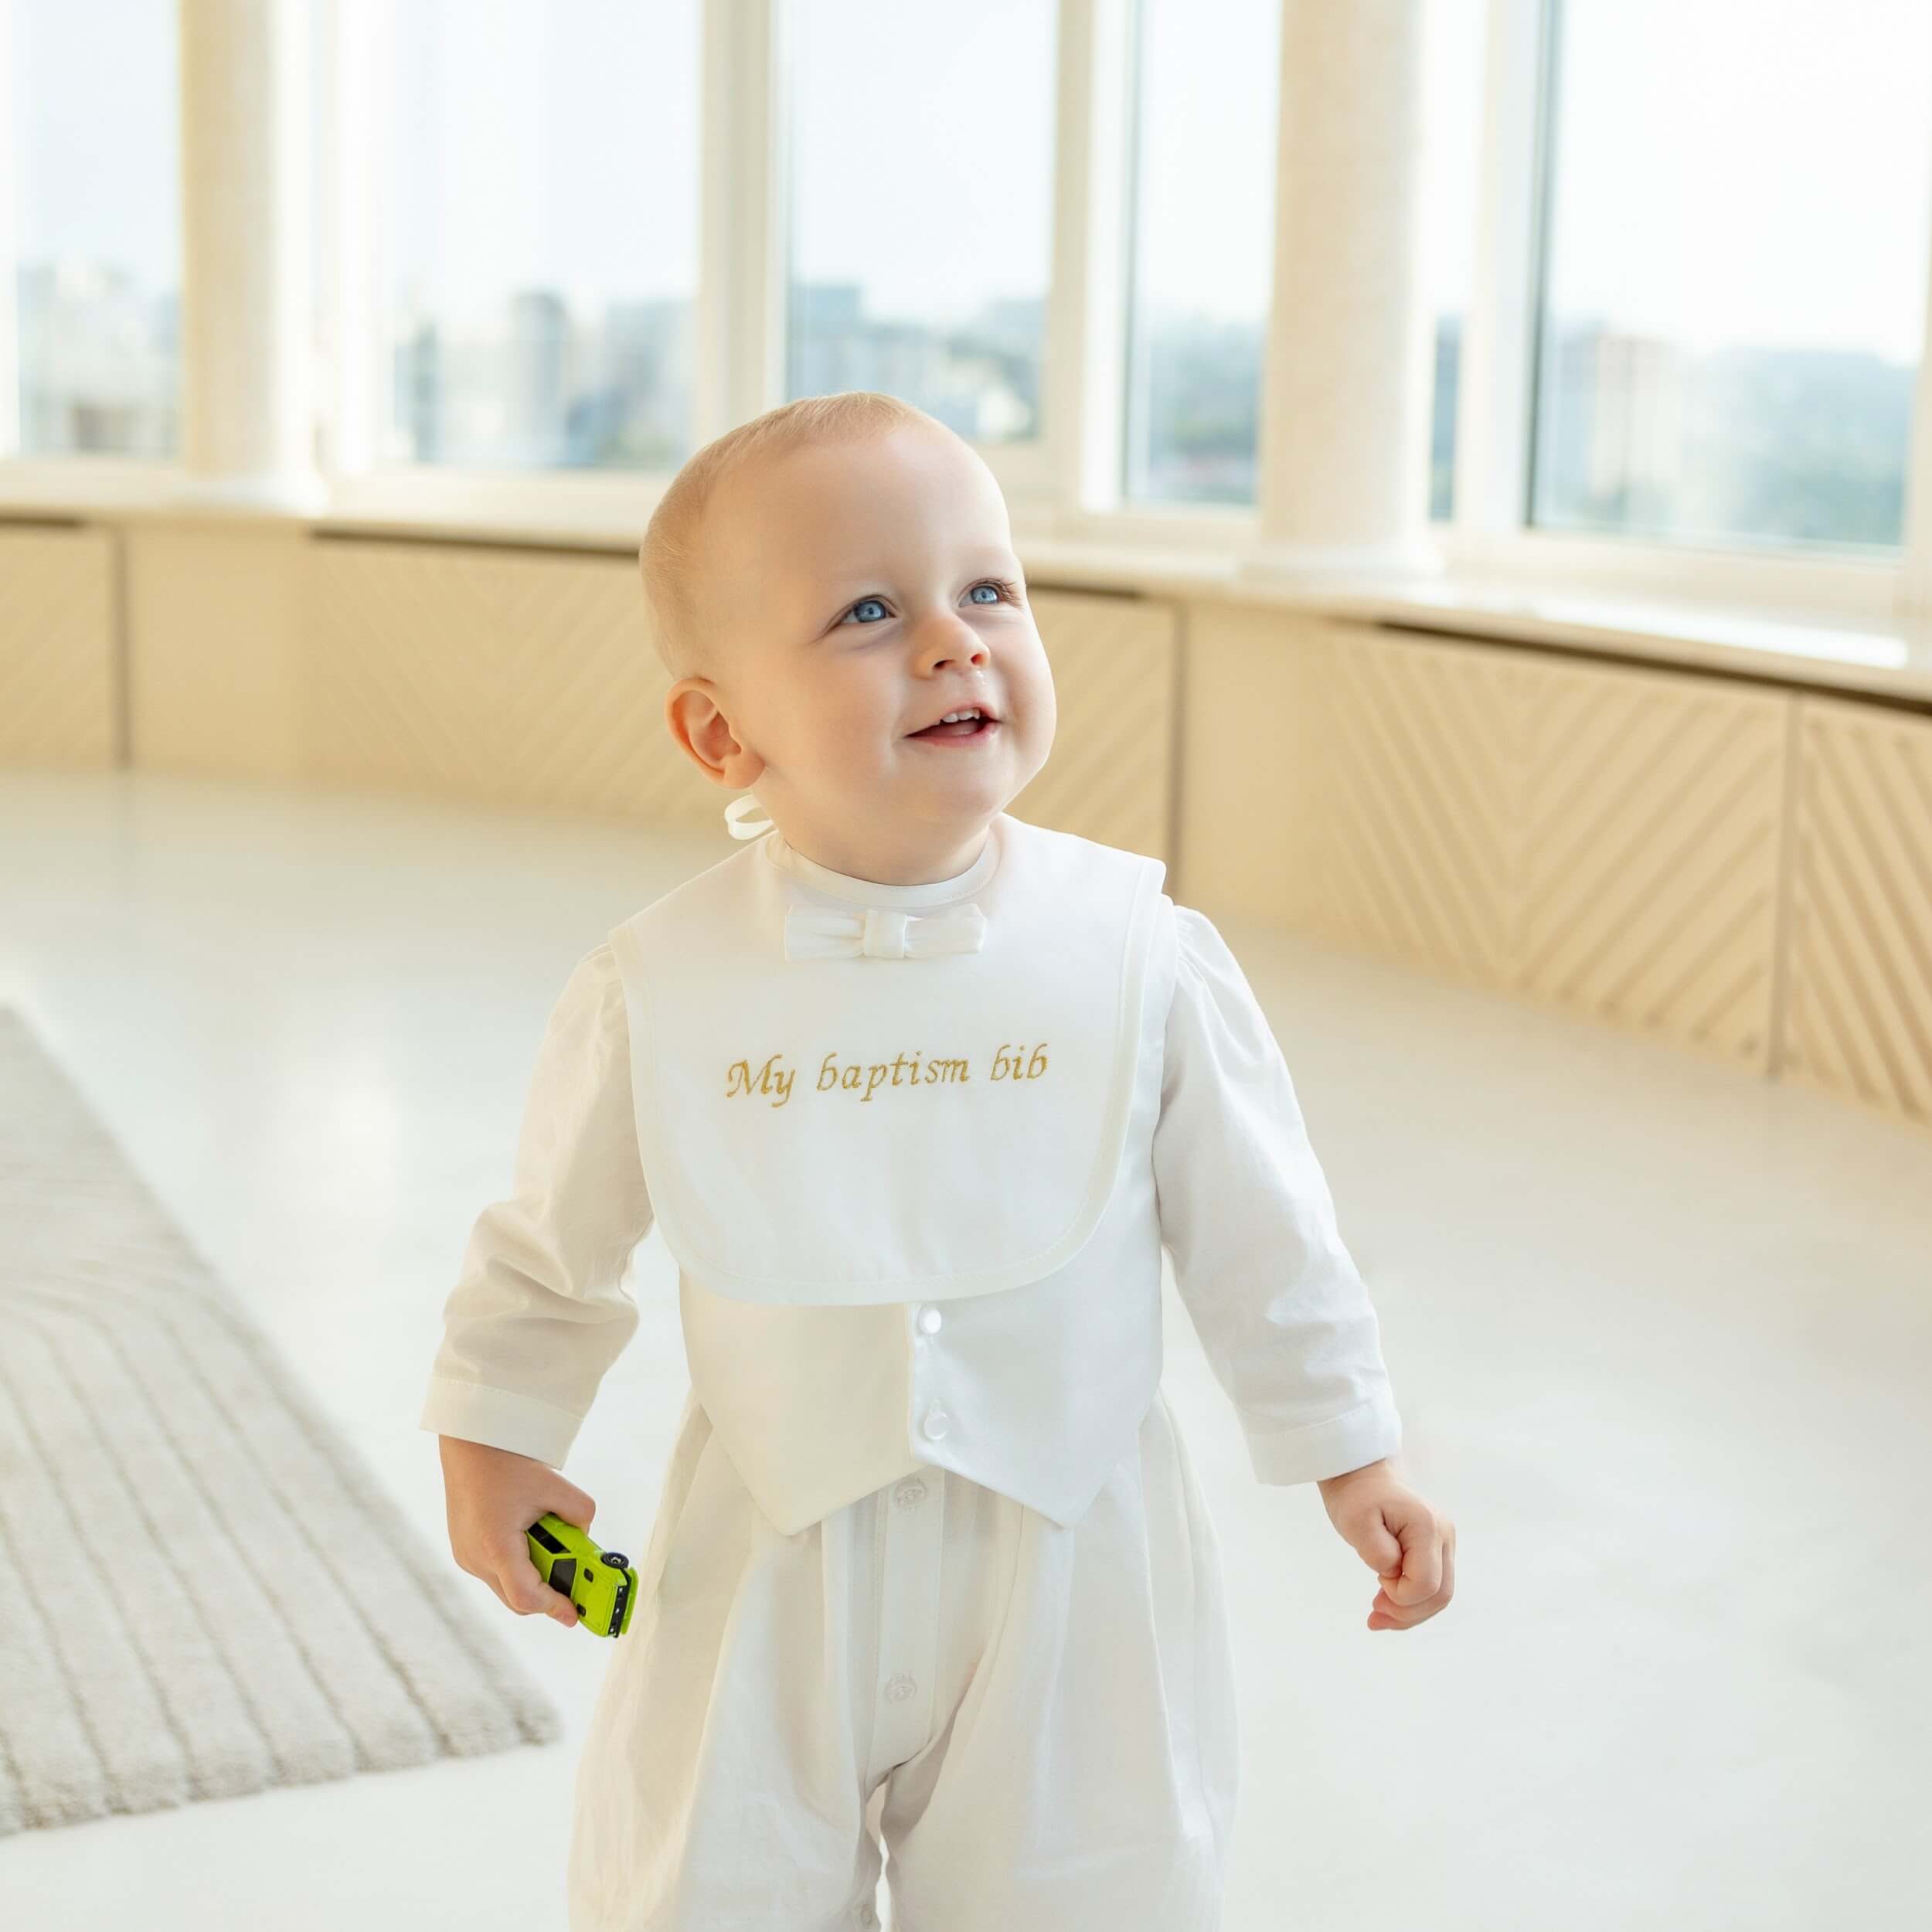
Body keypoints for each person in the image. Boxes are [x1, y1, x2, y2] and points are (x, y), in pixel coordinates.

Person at [423, 389, 1456, 1932]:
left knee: (1096, 1878)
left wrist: (1347, 1441)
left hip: (1072, 1544)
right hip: (769, 1540)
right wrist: (495, 1430)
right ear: (720, 727)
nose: (954, 640)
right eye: (864, 610)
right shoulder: (661, 982)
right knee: (701, 1879)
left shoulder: (1138, 955)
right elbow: (548, 1242)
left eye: (988, 589)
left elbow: (1264, 1231)